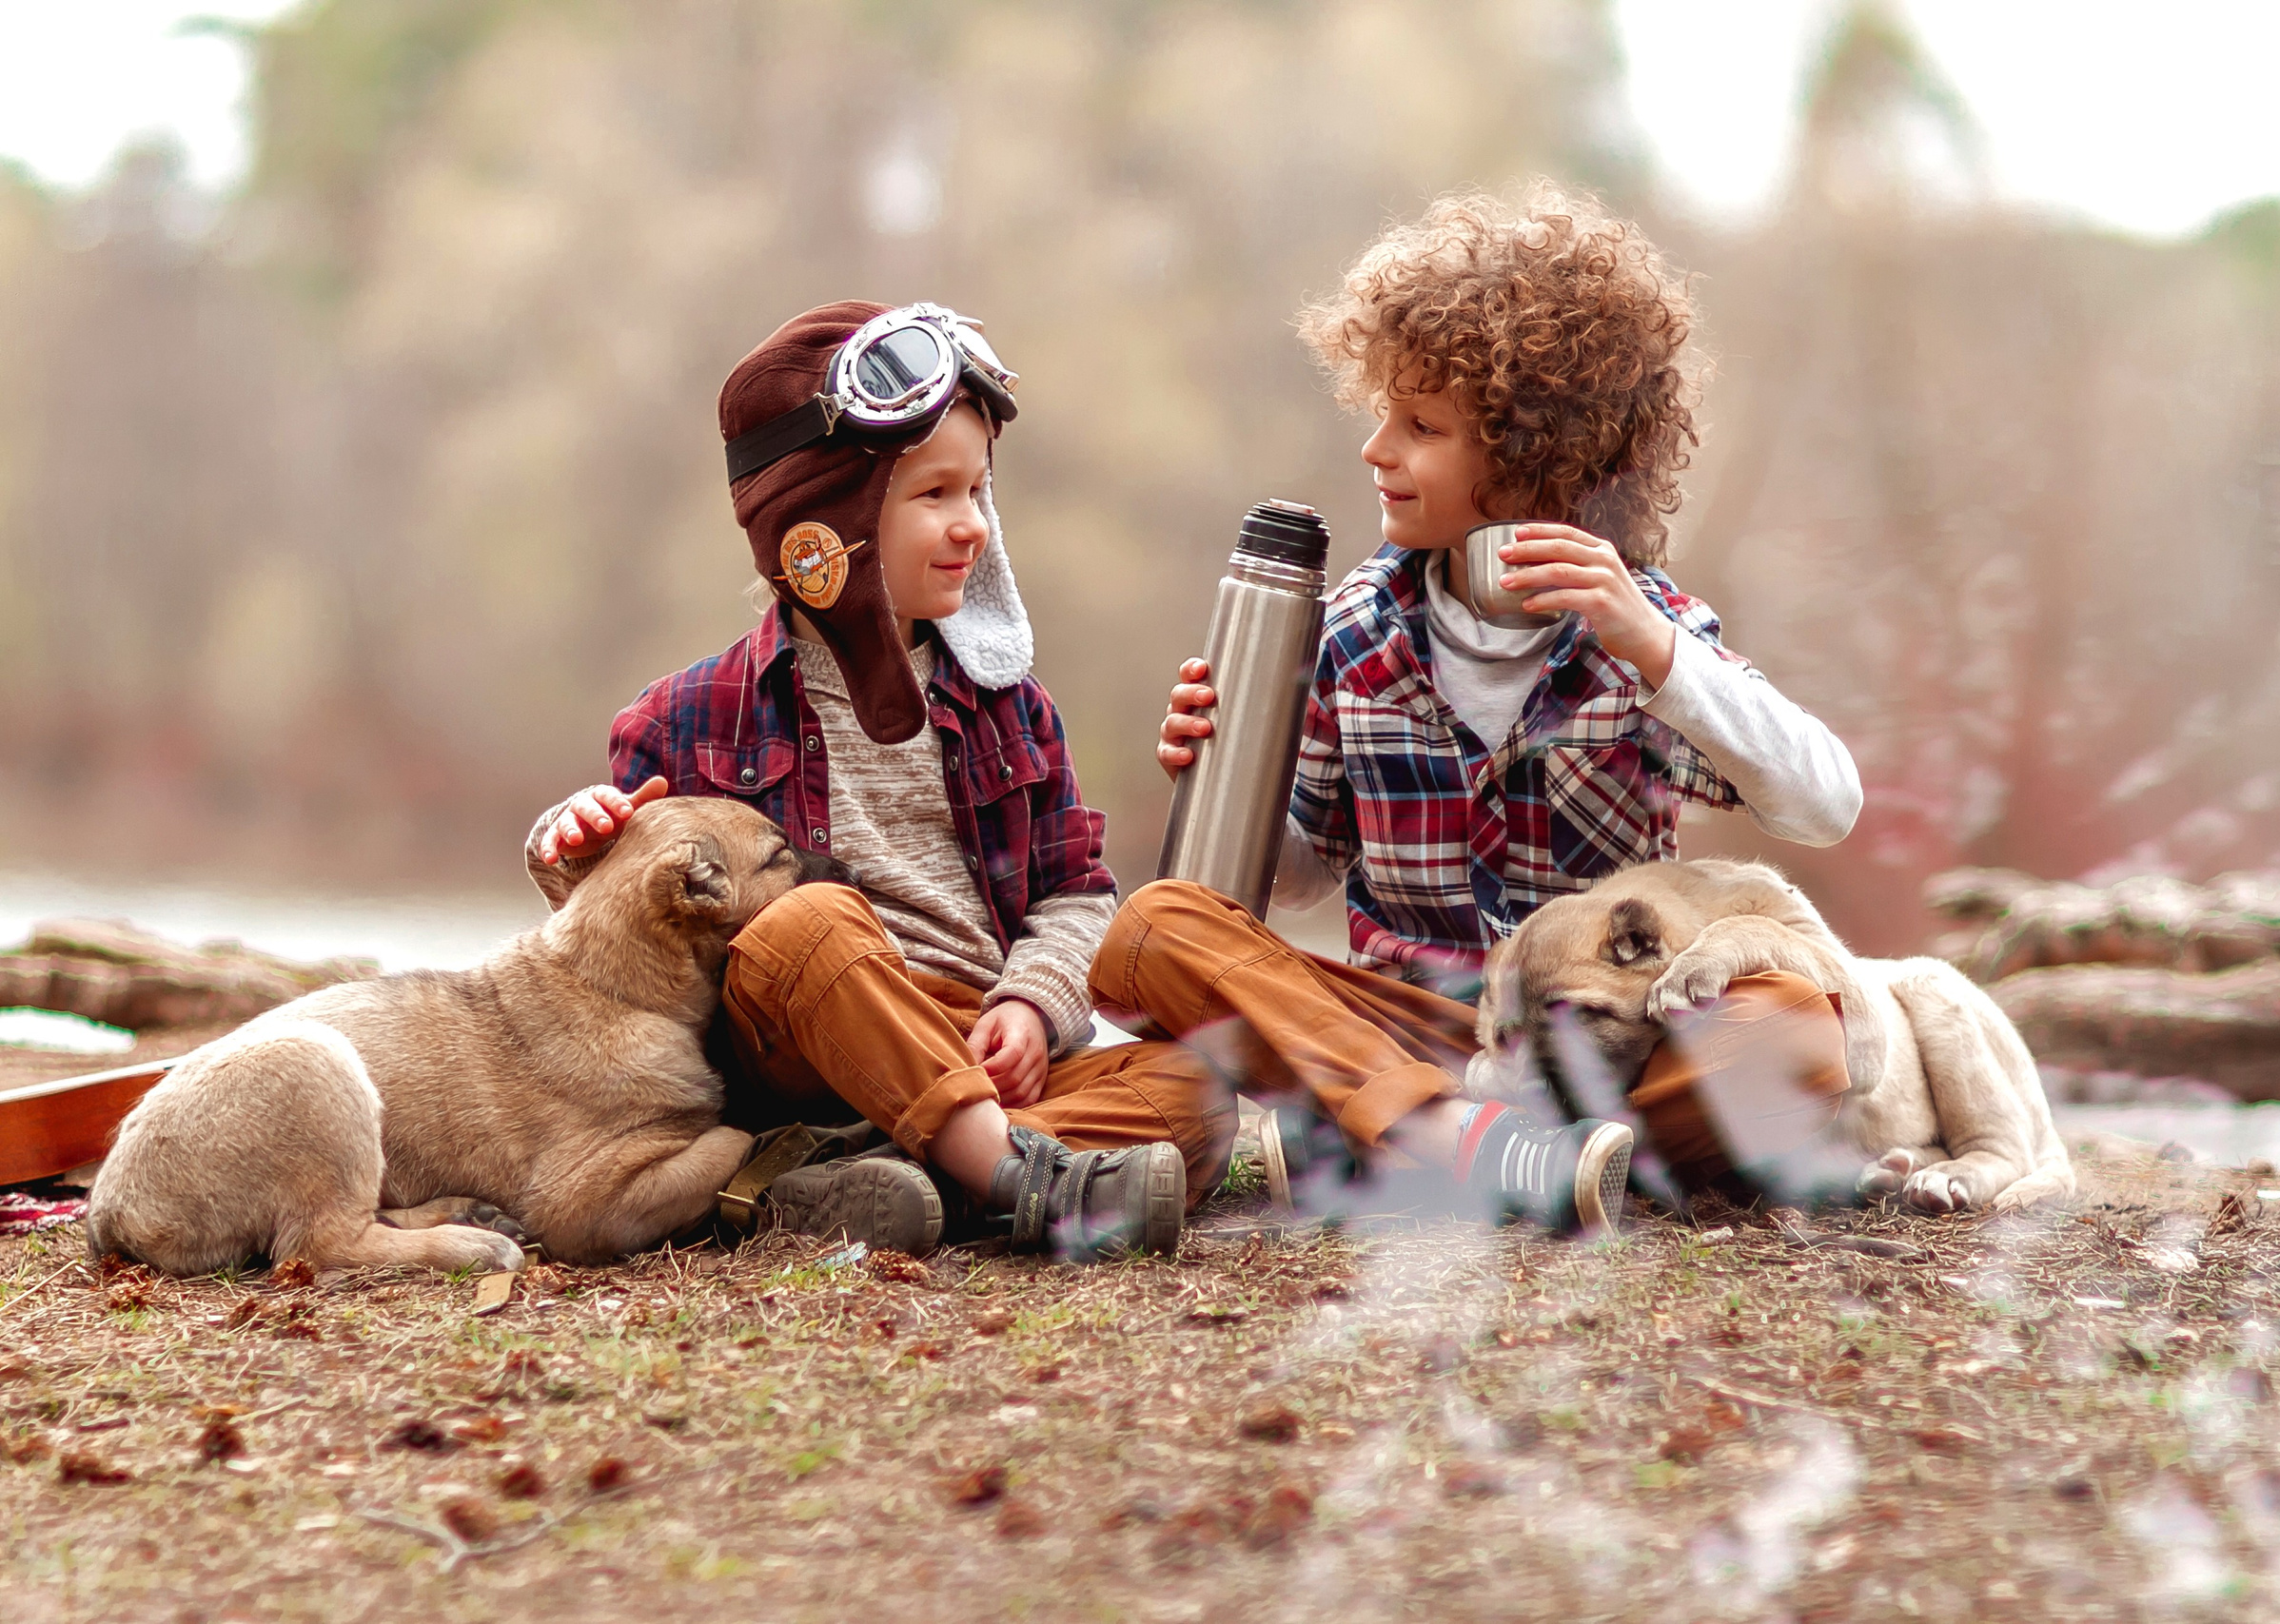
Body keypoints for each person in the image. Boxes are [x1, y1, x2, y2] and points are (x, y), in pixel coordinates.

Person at [1124, 184, 1864, 1232]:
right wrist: (1216, 778)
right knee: (1159, 929)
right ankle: (1499, 1154)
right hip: (1412, 1026)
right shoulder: (1349, 635)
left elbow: (1823, 803)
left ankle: (1414, 1151)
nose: (1377, 450)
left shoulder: (1638, 634)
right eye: (1383, 414)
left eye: (1421, 426)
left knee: (1792, 1032)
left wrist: (1656, 654)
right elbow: (1296, 879)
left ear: (1533, 455)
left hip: (1602, 1042)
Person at [523, 302, 1232, 1262]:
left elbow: (1075, 895)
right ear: (823, 531)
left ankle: (831, 1184)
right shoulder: (681, 721)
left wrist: (1030, 1002)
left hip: (972, 1045)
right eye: (934, 494)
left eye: (980, 492)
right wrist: (573, 852)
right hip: (807, 1043)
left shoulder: (1008, 706)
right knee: (809, 922)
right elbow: (630, 944)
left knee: (1190, 1093)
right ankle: (1014, 1177)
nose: (973, 526)